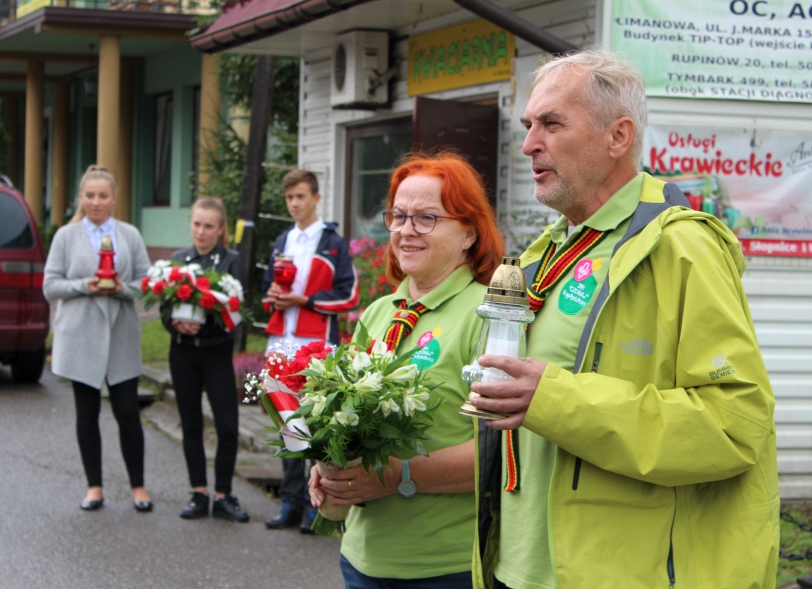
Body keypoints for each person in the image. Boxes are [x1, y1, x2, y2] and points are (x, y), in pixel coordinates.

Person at [467, 50, 779, 589]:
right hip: (512, 570)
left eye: (552, 124)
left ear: (618, 137)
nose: (529, 144)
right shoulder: (545, 255)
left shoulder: (681, 247)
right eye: (528, 125)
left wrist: (555, 400)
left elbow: (735, 425)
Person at [309, 152, 506, 588]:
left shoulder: (488, 316)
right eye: (398, 216)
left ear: (470, 233)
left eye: (426, 218)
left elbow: (503, 452)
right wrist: (327, 464)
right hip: (362, 558)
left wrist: (396, 476)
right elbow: (346, 417)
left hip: (442, 567)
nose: (405, 230)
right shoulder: (380, 312)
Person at [44, 165, 153, 513]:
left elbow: (147, 284)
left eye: (103, 196)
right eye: (89, 195)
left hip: (120, 335)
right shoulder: (65, 236)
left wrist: (121, 289)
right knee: (87, 414)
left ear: (114, 198)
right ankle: (94, 487)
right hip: (80, 337)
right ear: (80, 197)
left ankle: (138, 487)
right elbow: (50, 286)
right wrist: (84, 285)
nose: (96, 202)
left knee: (127, 413)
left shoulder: (129, 235)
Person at [261, 169, 359, 532]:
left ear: (316, 198)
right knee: (286, 423)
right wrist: (272, 295)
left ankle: (316, 506)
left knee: (316, 423)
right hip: (280, 341)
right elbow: (267, 289)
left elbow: (349, 295)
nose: (294, 204)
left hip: (316, 343)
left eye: (301, 196)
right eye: (289, 198)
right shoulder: (282, 240)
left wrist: (306, 300)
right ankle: (290, 502)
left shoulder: (333, 242)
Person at [164, 197, 249, 522]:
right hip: (182, 352)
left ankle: (223, 495)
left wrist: (204, 325)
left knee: (227, 426)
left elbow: (237, 308)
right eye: (197, 224)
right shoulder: (177, 260)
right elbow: (163, 305)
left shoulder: (230, 261)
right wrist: (174, 323)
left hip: (215, 352)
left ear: (220, 228)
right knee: (191, 425)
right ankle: (198, 492)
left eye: (209, 226)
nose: (201, 231)